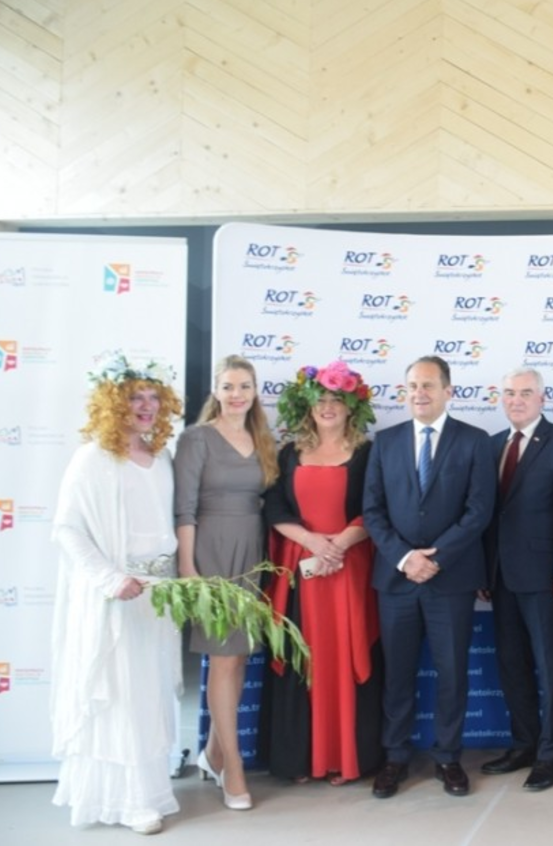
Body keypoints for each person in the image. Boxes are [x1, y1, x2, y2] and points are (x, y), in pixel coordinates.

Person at [50, 352, 183, 835]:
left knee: (149, 693)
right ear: (112, 403)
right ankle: (126, 802)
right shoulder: (93, 458)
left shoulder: (161, 456)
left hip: (158, 594)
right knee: (120, 693)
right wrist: (110, 579)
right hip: (117, 595)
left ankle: (147, 791)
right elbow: (67, 529)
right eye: (134, 398)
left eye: (152, 397)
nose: (146, 406)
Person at [363, 356, 495, 799]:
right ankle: (395, 757)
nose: (419, 393)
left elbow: (479, 510)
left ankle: (448, 757)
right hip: (396, 580)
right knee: (398, 673)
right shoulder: (385, 442)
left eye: (428, 385)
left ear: (448, 391)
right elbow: (373, 511)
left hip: (450, 579)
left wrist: (436, 558)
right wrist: (405, 558)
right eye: (412, 386)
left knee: (452, 672)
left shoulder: (474, 441)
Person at [261, 361, 382, 786]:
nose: (328, 407)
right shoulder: (288, 453)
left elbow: (375, 508)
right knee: (303, 658)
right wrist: (313, 542)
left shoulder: (369, 453)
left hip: (349, 571)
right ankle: (302, 758)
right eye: (320, 401)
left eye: (336, 400)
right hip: (302, 573)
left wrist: (339, 545)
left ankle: (345, 759)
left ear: (351, 407)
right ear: (308, 407)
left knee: (346, 657)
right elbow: (275, 508)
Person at [175, 353, 278, 812]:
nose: (237, 395)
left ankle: (214, 753)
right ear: (215, 391)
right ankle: (232, 766)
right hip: (211, 552)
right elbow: (184, 509)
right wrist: (188, 567)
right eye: (229, 386)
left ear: (255, 392)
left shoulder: (262, 438)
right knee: (222, 659)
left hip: (252, 553)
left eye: (244, 387)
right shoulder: (196, 439)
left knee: (237, 658)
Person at [480, 367, 553, 791]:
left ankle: (550, 754)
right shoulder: (492, 445)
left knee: (551, 667)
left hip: (547, 578)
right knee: (512, 665)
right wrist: (483, 570)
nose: (516, 400)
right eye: (509, 393)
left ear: (542, 398)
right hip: (500, 576)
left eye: (525, 393)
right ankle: (524, 744)